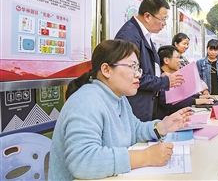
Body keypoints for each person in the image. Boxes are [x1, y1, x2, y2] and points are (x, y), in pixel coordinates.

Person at [49, 39, 194, 181]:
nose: (138, 74)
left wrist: (161, 127)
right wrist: (145, 157)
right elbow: (82, 161)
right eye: (132, 67)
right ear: (106, 70)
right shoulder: (86, 101)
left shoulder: (119, 98)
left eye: (138, 68)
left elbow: (134, 129)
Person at [115, 0, 184, 122]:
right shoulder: (129, 36)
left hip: (146, 106)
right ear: (147, 16)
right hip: (134, 108)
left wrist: (160, 77)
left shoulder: (144, 35)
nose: (164, 24)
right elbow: (131, 75)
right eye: (162, 19)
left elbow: (146, 69)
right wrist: (165, 82)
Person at [153, 45, 217, 119]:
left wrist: (200, 96)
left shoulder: (172, 76)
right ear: (166, 60)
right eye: (177, 57)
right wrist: (196, 101)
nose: (180, 60)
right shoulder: (161, 78)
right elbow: (166, 100)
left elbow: (181, 95)